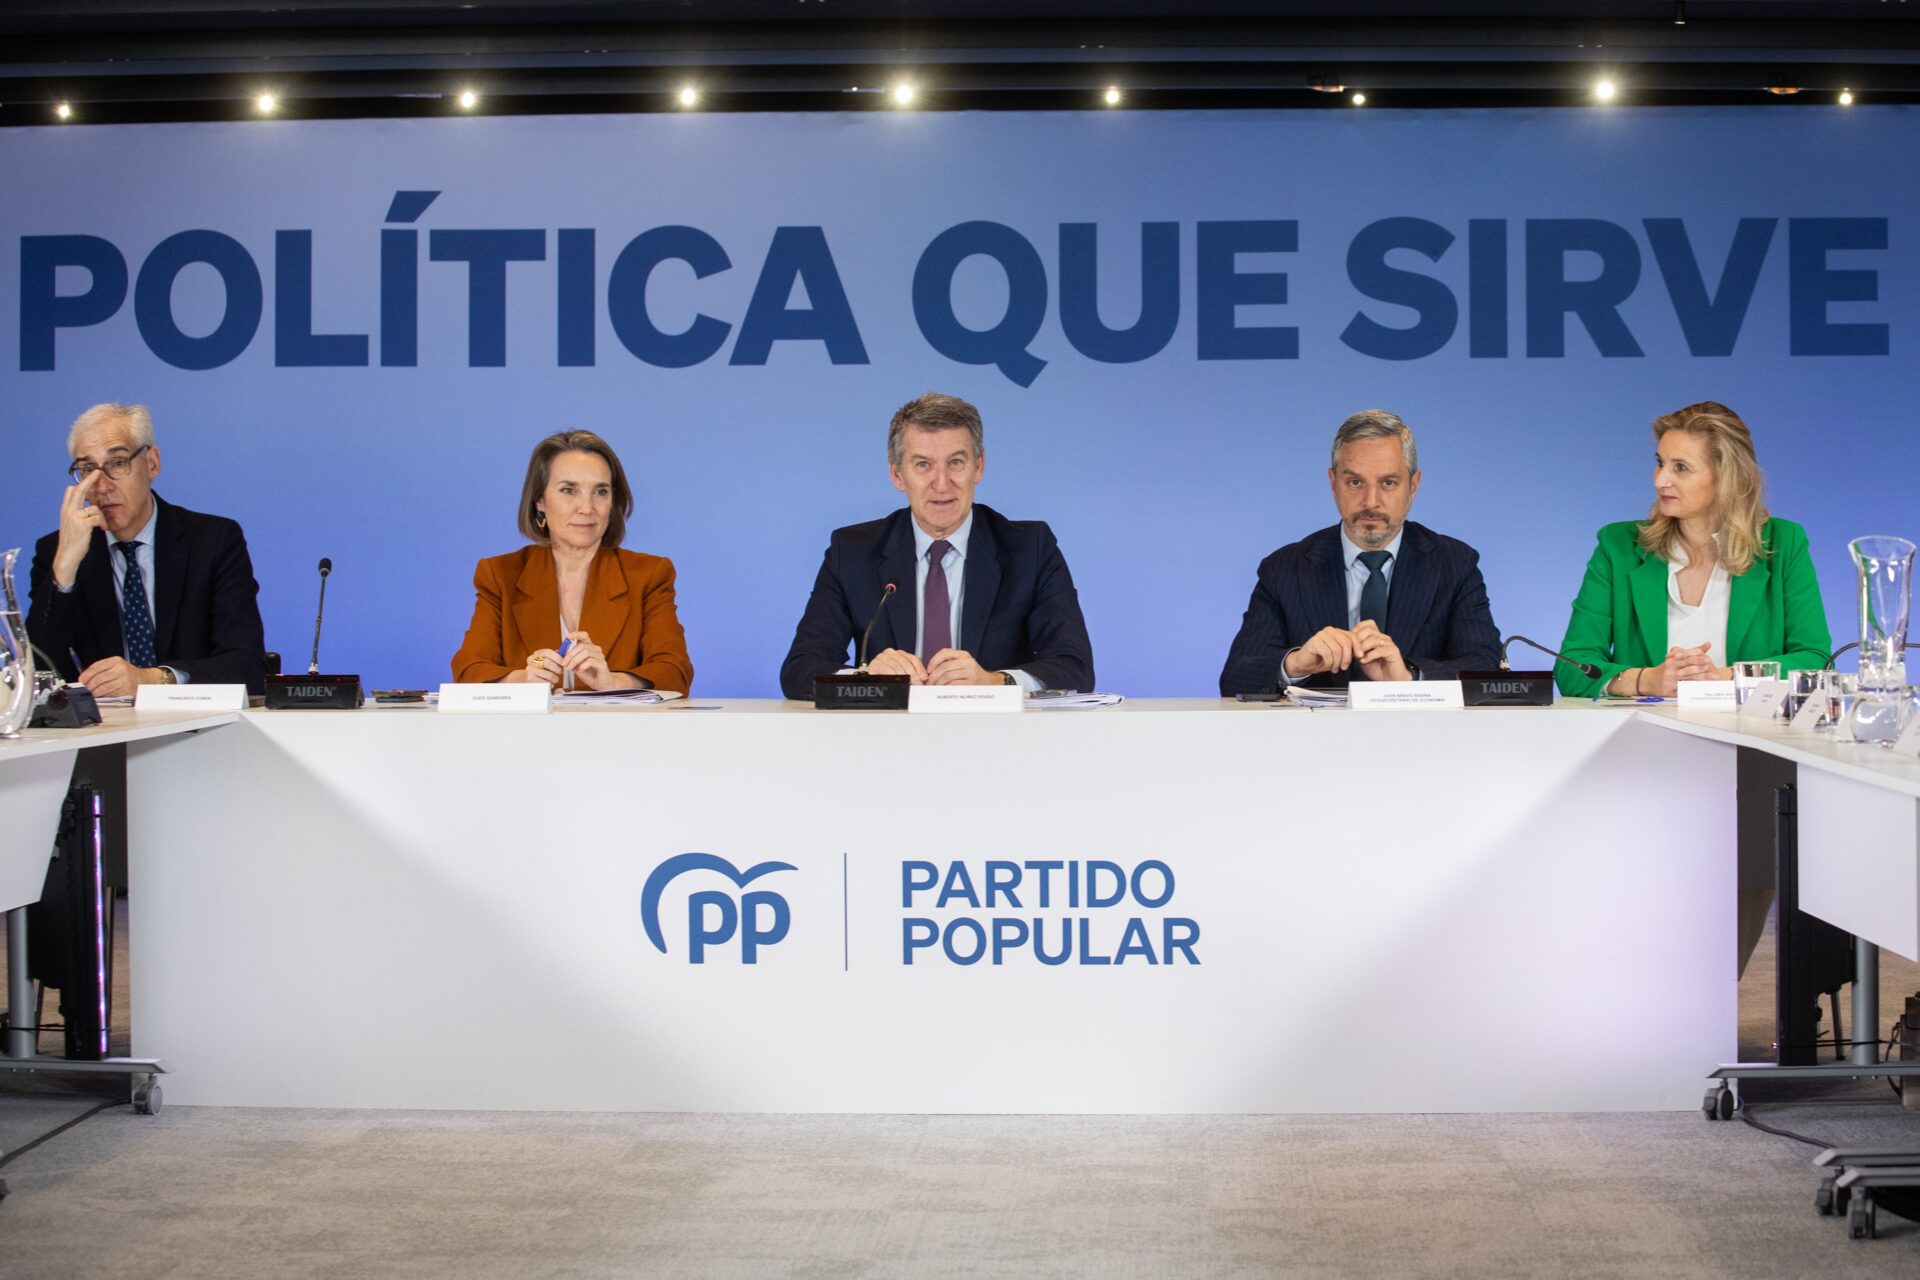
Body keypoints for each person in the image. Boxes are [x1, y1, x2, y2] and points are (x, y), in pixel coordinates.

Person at [780, 392, 1094, 699]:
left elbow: (1075, 668)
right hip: (886, 729)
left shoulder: (1029, 549)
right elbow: (799, 670)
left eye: (955, 462)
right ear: (897, 474)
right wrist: (869, 680)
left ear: (978, 467)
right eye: (923, 465)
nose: (942, 484)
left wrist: (994, 682)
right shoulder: (852, 552)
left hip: (995, 730)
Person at [1555, 402, 1829, 698]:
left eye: (1681, 468)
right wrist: (1645, 680)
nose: (1660, 480)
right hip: (1643, 728)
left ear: (1727, 477)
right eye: (1660, 462)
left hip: (1751, 727)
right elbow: (1572, 666)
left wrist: (1723, 678)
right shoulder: (1618, 545)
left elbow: (1815, 661)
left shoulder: (1783, 542)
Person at [1219, 410, 1501, 695]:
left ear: (1413, 486)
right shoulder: (1283, 569)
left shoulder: (1455, 564)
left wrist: (1408, 678)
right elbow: (1236, 679)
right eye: (1355, 482)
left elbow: (1485, 670)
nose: (1370, 501)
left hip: (1417, 724)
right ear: (1333, 483)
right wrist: (1295, 664)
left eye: (1388, 483)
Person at [27, 402, 271, 695]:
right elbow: (37, 675)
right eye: (88, 469)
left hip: (195, 722)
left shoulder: (213, 541)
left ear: (152, 463)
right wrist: (66, 563)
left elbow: (247, 666)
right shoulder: (55, 551)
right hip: (102, 724)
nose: (102, 487)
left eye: (118, 463)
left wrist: (153, 679)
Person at [452, 430, 692, 694]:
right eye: (569, 490)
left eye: (600, 491)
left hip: (615, 722)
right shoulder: (500, 574)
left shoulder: (648, 574)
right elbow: (468, 671)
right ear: (539, 500)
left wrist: (613, 683)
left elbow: (675, 672)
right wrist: (525, 677)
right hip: (527, 722)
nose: (587, 508)